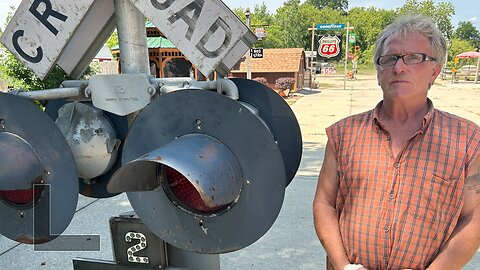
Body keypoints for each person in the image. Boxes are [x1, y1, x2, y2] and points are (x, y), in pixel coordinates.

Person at [313, 15, 480, 270]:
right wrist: (343, 265)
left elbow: (473, 218)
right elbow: (324, 203)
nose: (399, 68)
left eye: (414, 57)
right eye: (389, 59)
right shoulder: (343, 135)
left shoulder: (467, 141)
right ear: (378, 73)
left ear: (435, 70)